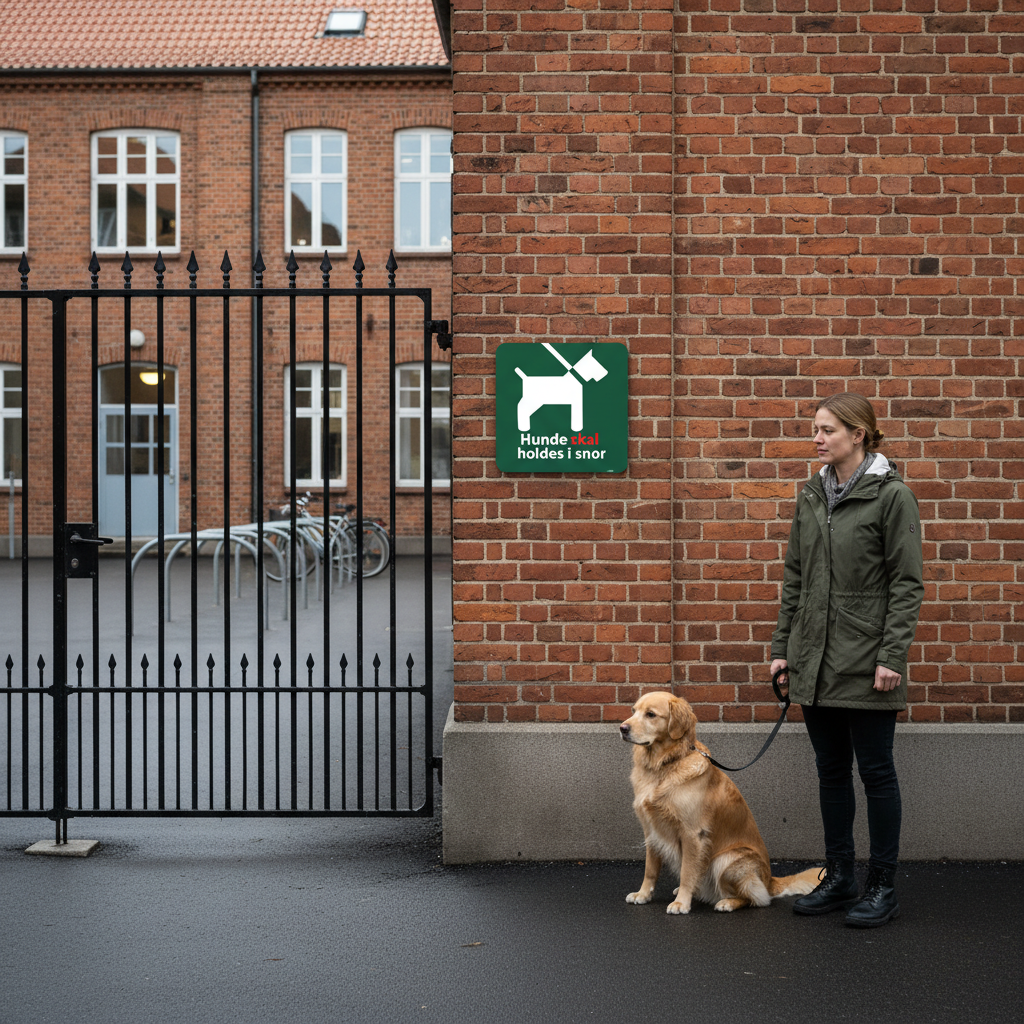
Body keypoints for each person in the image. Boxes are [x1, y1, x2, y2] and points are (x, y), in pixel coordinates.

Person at [770, 393, 923, 928]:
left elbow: (907, 584)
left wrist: (892, 655)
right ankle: (839, 877)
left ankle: (881, 885)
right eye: (815, 428)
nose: (817, 437)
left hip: (868, 660)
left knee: (876, 772)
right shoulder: (811, 494)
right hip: (814, 657)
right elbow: (795, 578)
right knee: (830, 770)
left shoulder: (892, 496)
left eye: (827, 429)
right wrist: (782, 649)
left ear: (859, 435)